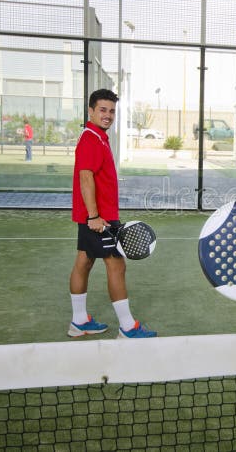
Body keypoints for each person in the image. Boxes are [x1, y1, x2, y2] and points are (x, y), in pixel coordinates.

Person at [68, 88, 157, 339]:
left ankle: (79, 321)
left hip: (97, 216)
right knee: (116, 265)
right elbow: (86, 177)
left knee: (84, 261)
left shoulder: (98, 137)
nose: (107, 115)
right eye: (102, 110)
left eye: (112, 111)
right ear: (91, 111)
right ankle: (128, 327)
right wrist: (94, 216)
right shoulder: (90, 139)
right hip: (99, 218)